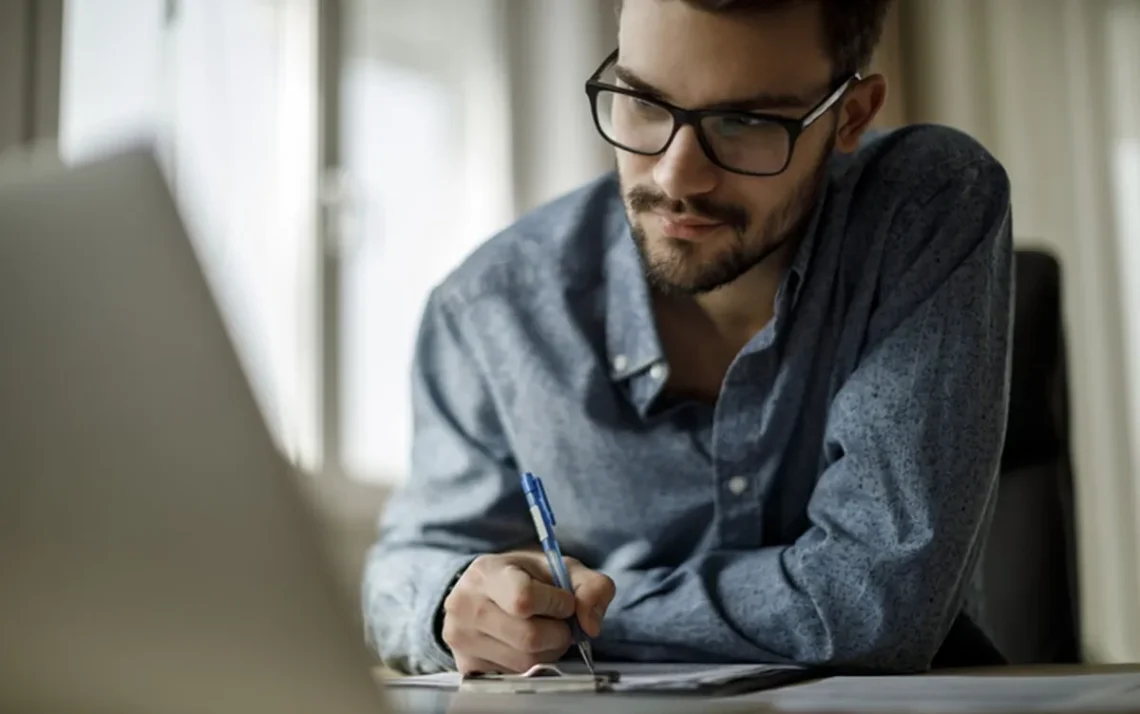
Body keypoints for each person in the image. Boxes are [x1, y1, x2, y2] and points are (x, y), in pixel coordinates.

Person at [363, 0, 1014, 676]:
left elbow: (874, 604)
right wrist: (453, 603)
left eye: (744, 123)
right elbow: (407, 572)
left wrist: (578, 619)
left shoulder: (926, 208)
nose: (676, 178)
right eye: (642, 103)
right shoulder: (490, 308)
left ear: (850, 115)